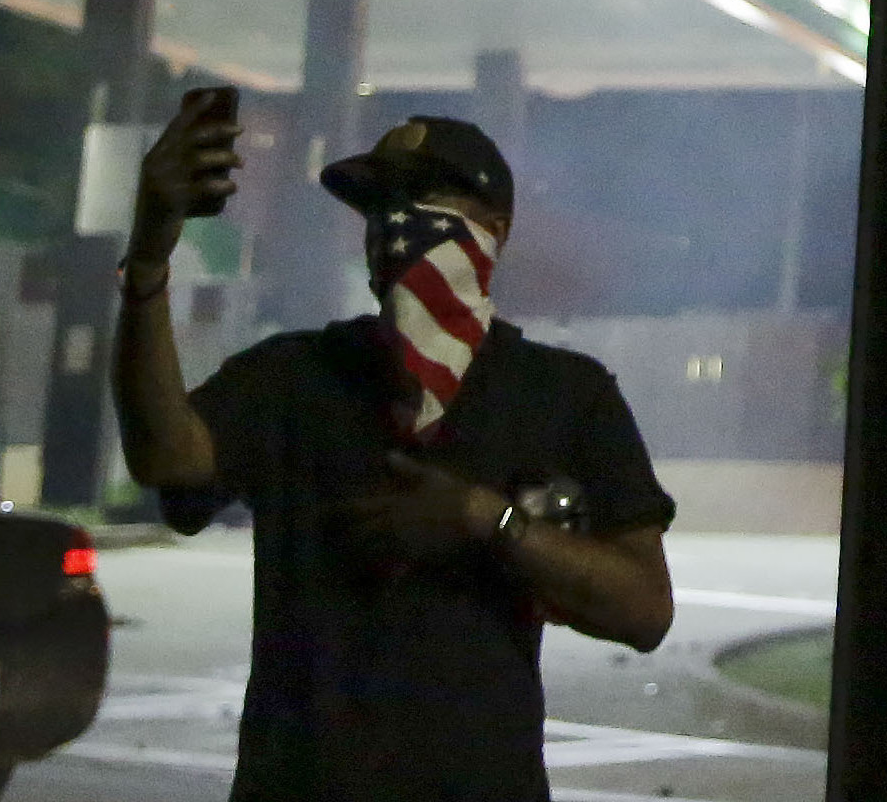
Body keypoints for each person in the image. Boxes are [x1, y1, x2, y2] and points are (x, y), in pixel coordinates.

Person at [118, 91, 680, 799]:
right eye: (380, 207)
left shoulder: (567, 395)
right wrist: (148, 255)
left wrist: (488, 521)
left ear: (495, 231)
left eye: (425, 201)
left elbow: (644, 610)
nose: (396, 225)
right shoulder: (296, 375)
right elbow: (167, 457)